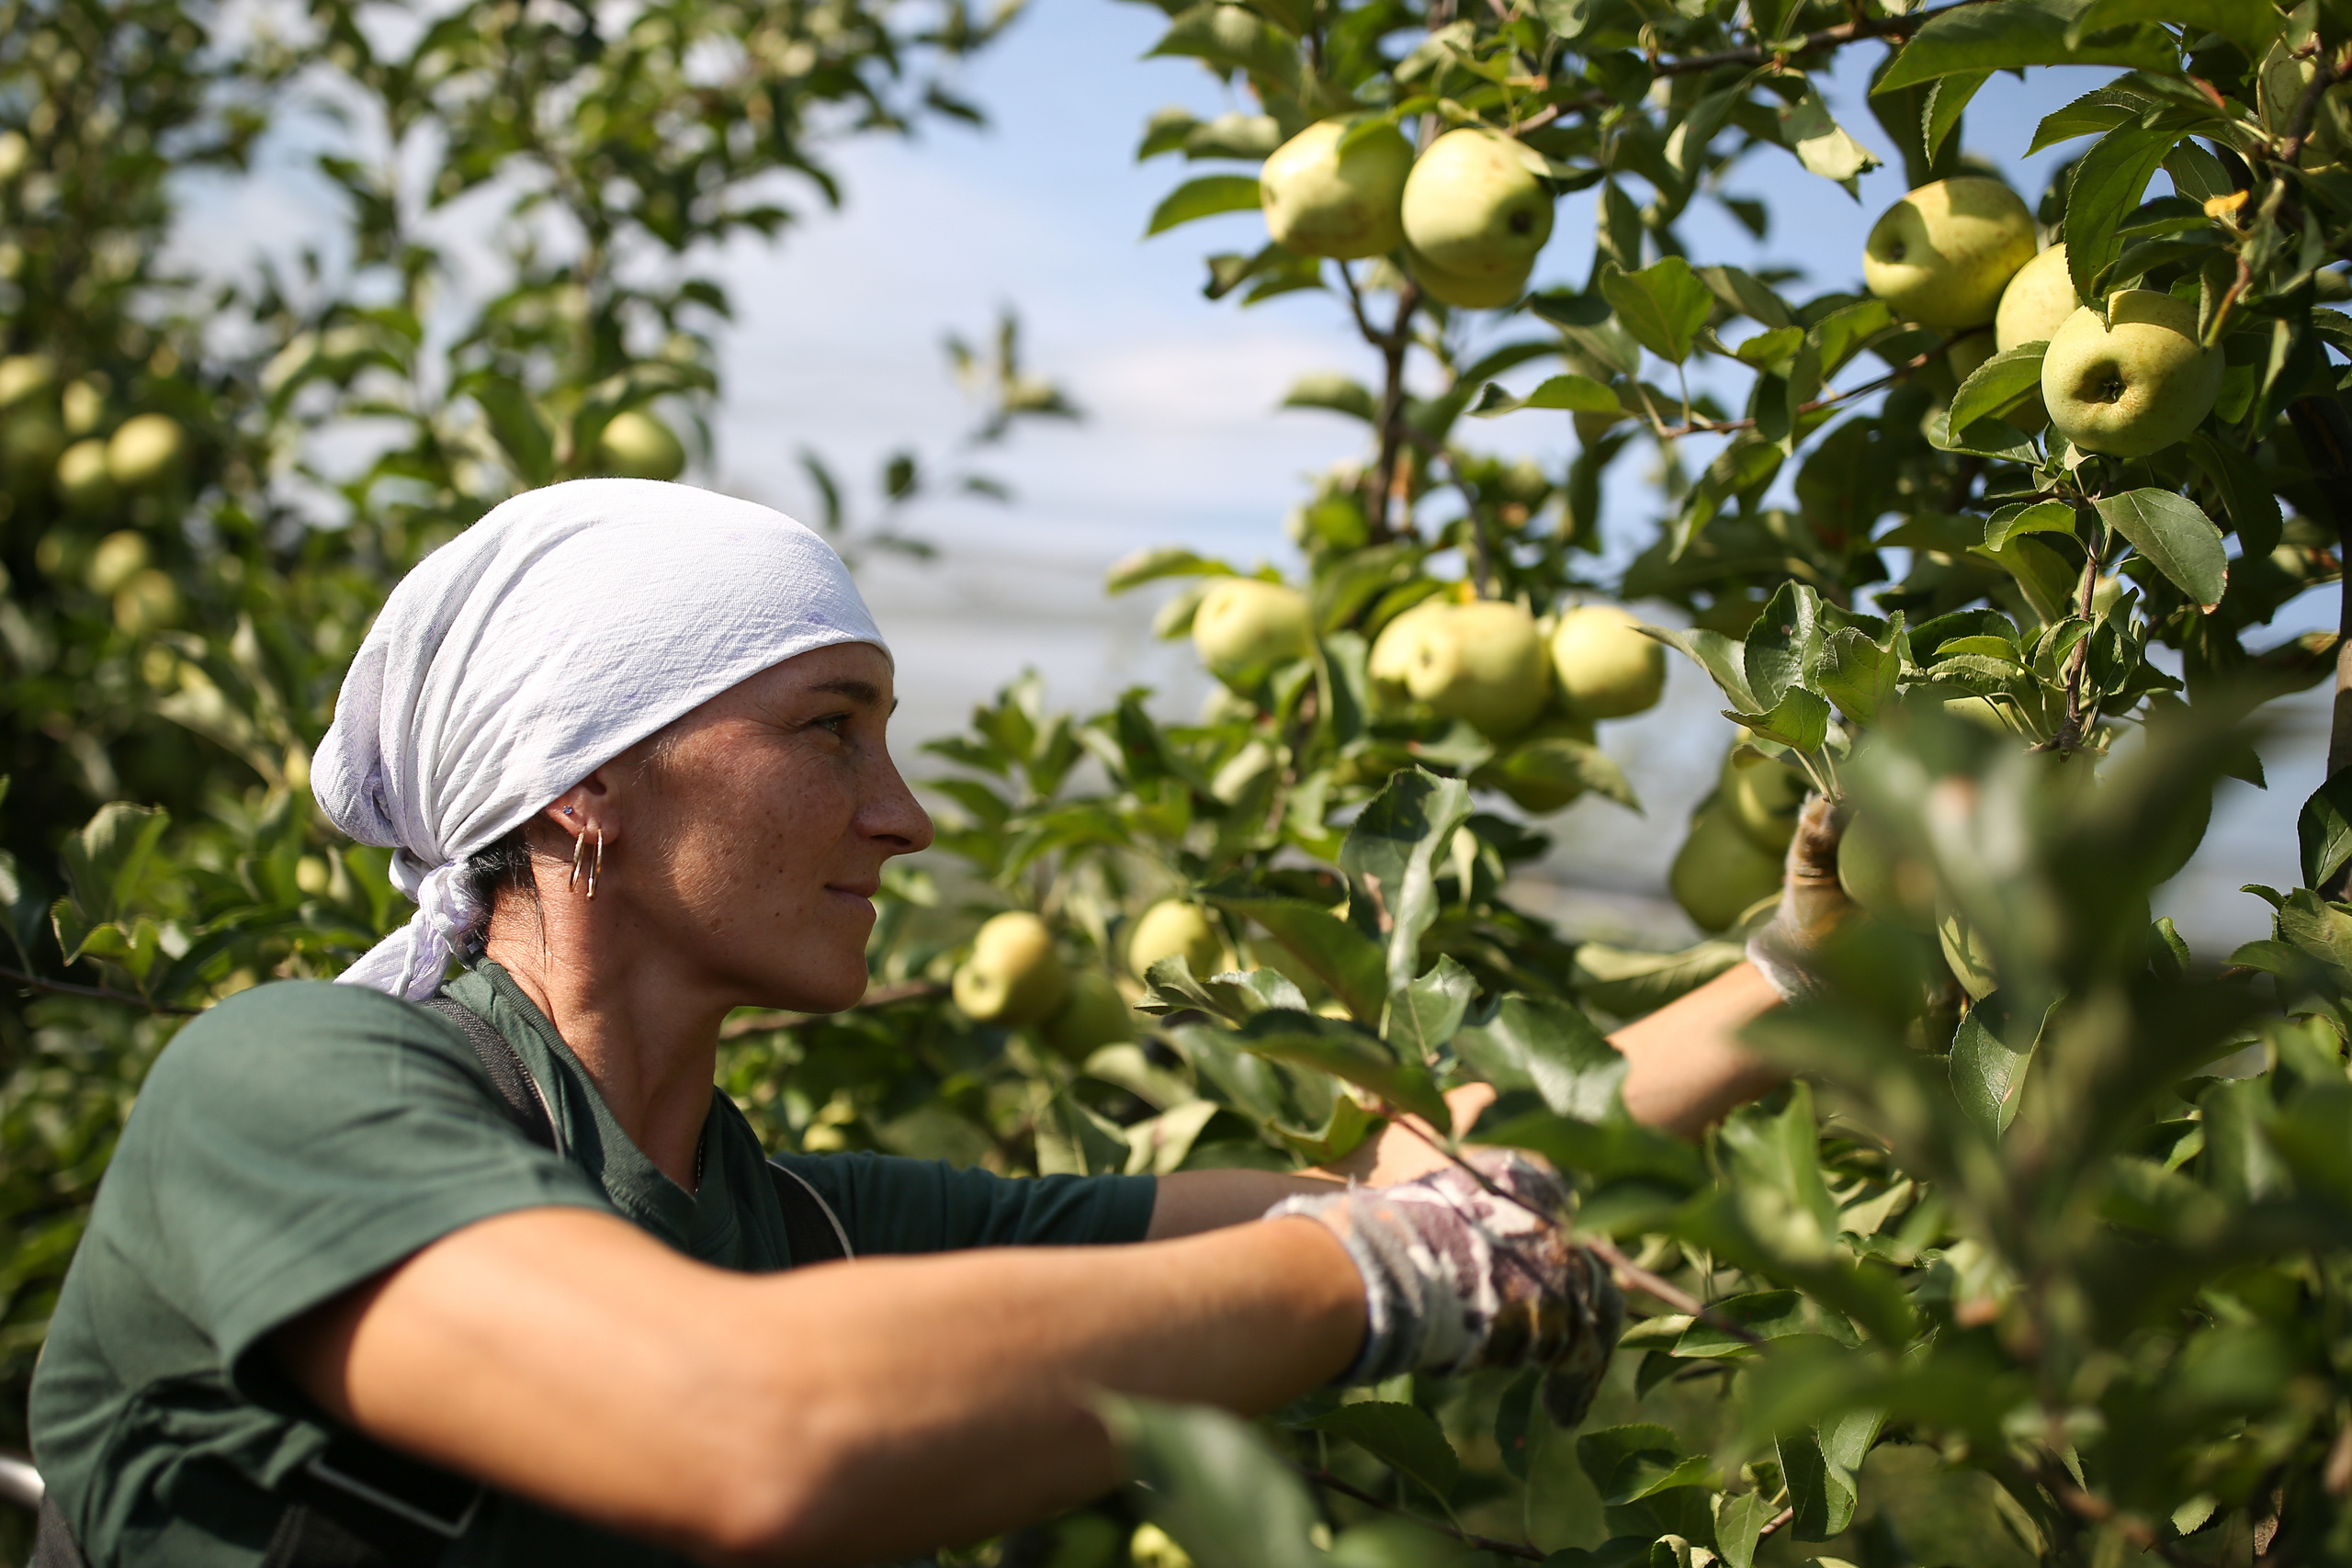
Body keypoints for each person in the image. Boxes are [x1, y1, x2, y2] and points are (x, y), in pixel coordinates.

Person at [26, 480, 1829, 1568]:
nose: (903, 813)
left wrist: (1803, 982)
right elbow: (740, 1429)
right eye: (830, 729)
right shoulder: (281, 1085)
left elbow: (1371, 1176)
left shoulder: (792, 1229)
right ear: (582, 789)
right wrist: (1393, 1275)